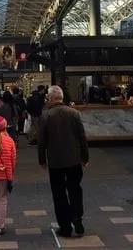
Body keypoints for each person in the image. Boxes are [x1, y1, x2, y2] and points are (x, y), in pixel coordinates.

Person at [38, 85, 89, 238]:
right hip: (74, 159)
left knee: (59, 193)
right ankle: (77, 216)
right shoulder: (74, 113)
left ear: (50, 98)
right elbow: (82, 137)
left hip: (55, 161)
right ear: (61, 97)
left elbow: (42, 141)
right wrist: (85, 157)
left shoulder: (46, 116)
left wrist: (42, 160)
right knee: (75, 189)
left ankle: (65, 226)